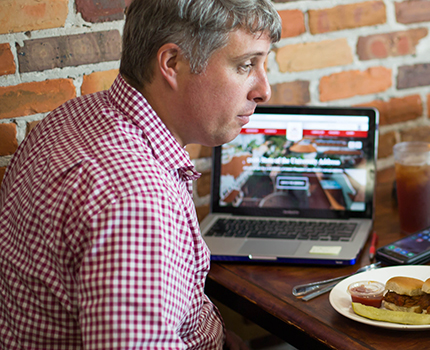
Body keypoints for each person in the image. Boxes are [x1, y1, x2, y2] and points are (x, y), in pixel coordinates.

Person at [0, 0, 280, 348]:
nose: (263, 90)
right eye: (245, 65)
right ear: (172, 63)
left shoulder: (75, 114)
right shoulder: (136, 201)